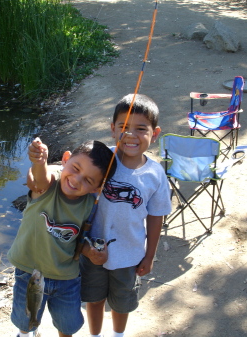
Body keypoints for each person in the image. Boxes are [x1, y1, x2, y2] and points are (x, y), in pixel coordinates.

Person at [80, 94, 172, 337]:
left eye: (141, 129)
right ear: (112, 129)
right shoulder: (101, 160)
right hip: (92, 251)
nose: (131, 134)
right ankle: (95, 335)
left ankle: (118, 334)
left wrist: (149, 256)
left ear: (155, 133)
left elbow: (156, 217)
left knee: (122, 302)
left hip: (130, 255)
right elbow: (75, 181)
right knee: (94, 298)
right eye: (123, 127)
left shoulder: (155, 174)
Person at [8, 138, 117, 337]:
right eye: (75, 168)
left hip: (67, 278)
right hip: (28, 272)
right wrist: (39, 162)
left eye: (89, 180)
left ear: (97, 189)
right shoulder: (48, 185)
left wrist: (90, 252)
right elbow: (38, 180)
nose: (76, 180)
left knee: (67, 326)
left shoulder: (89, 203)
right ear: (65, 159)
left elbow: (76, 239)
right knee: (26, 321)